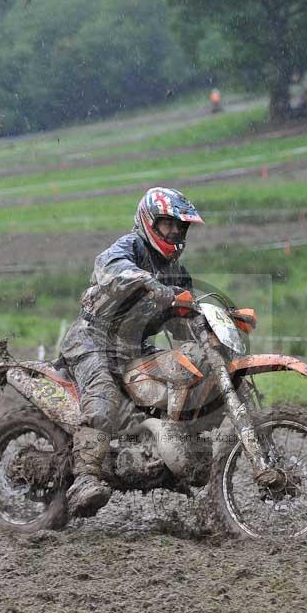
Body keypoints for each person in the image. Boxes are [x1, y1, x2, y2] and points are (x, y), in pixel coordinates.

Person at [60, 187, 204, 517]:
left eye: (180, 227)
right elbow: (108, 269)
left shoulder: (178, 273)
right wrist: (148, 282)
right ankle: (84, 477)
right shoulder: (131, 247)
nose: (176, 232)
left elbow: (183, 326)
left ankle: (160, 462)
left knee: (176, 385)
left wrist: (209, 331)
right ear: (150, 221)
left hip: (134, 348)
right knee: (105, 397)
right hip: (93, 339)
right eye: (168, 225)